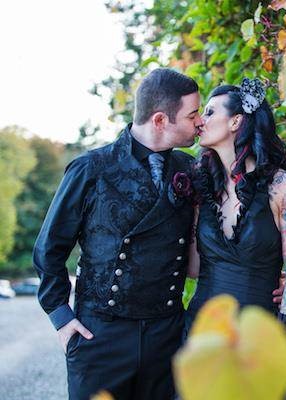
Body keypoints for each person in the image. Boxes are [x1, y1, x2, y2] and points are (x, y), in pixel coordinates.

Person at [33, 68, 201, 400]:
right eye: (192, 115)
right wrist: (61, 317)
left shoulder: (191, 169)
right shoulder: (91, 169)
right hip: (101, 335)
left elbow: (216, 236)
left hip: (167, 336)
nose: (199, 123)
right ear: (159, 120)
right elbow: (49, 247)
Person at [185, 78, 286, 399]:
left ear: (236, 121)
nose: (201, 121)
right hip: (204, 335)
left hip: (260, 337)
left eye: (210, 112)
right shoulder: (202, 187)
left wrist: (282, 331)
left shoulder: (281, 186)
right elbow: (194, 268)